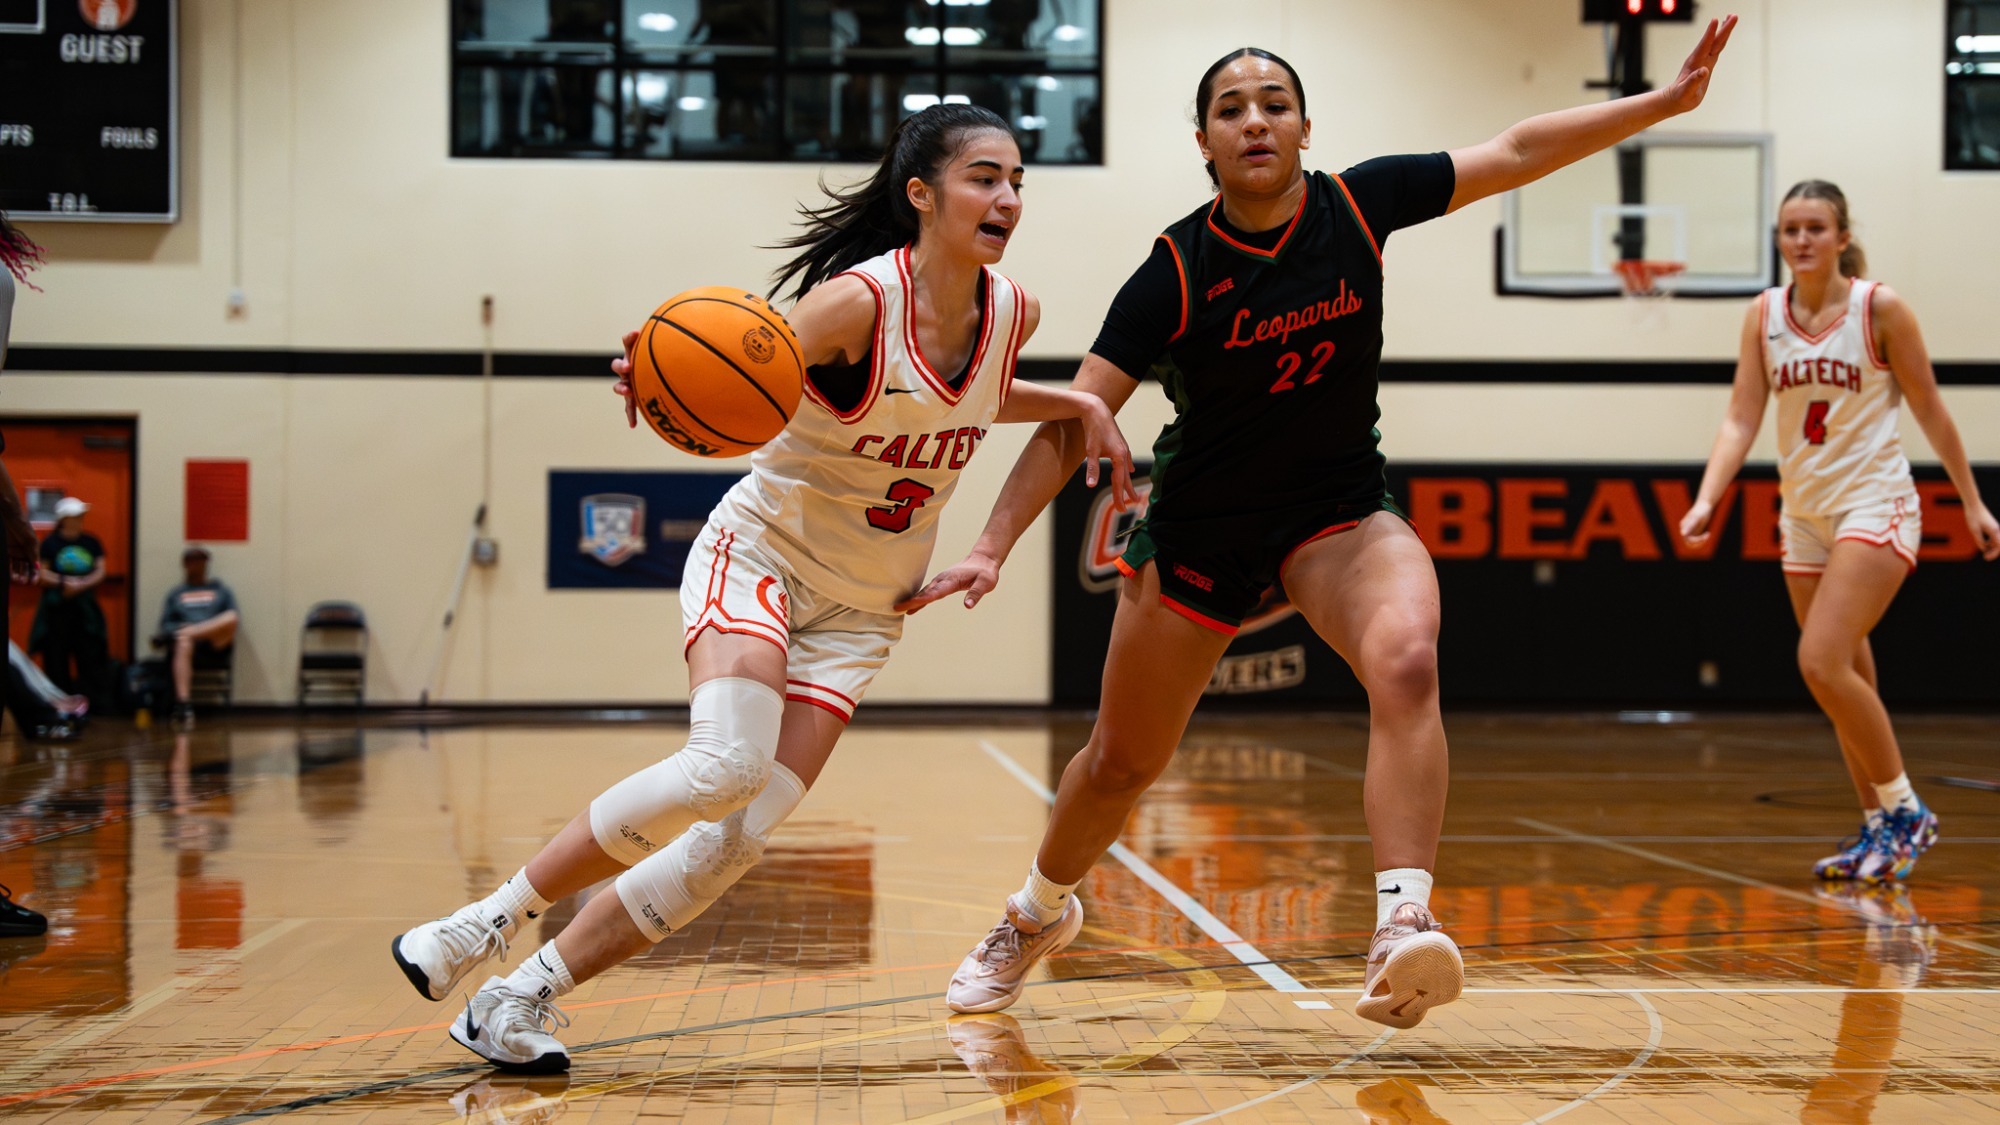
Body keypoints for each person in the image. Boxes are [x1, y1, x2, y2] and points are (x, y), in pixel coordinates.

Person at [901, 21, 1740, 1029]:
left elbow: (1515, 151)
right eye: (1228, 110)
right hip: (1203, 530)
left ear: (1304, 127)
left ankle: (1399, 923)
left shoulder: (1359, 202)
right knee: (1120, 764)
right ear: (1203, 146)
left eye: (1272, 104)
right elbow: (1075, 418)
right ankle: (1034, 914)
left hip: (1335, 512)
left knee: (1407, 659)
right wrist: (989, 544)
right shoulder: (1173, 269)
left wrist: (1658, 105)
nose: (1253, 121)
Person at [390, 104, 1135, 1074]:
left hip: (865, 615)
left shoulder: (1012, 315)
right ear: (922, 195)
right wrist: (653, 374)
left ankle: (517, 996)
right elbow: (735, 367)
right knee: (722, 769)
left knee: (731, 842)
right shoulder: (856, 304)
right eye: (984, 177)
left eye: (1017, 181)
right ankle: (484, 923)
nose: (1007, 197)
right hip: (762, 560)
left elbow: (978, 399)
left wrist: (1073, 402)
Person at [1680, 181, 1999, 885]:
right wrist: (1710, 496)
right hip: (1804, 512)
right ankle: (1879, 829)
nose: (1801, 240)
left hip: (1875, 502)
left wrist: (1973, 502)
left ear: (1841, 235)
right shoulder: (1764, 314)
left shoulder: (1878, 308)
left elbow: (1931, 409)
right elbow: (1741, 416)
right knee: (1845, 676)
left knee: (1819, 660)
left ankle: (1906, 809)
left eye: (1815, 227)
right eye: (1790, 228)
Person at [30, 497, 113, 708]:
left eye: (81, 516)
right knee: (56, 658)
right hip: (58, 607)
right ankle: (61, 701)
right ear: (64, 519)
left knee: (89, 655)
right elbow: (42, 572)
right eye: (75, 516)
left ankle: (94, 702)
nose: (79, 519)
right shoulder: (50, 543)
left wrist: (81, 584)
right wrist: (64, 582)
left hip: (85, 608)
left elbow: (101, 570)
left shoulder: (91, 542)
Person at [153, 545, 240, 727]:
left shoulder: (220, 590)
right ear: (185, 564)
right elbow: (166, 626)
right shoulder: (176, 594)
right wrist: (183, 630)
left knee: (231, 618)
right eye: (192, 561)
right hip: (189, 646)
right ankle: (183, 705)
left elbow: (232, 618)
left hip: (215, 642)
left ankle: (191, 632)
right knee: (183, 641)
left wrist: (198, 629)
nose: (196, 565)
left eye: (200, 561)